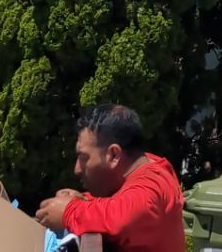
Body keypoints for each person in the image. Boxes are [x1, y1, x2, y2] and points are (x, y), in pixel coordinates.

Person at [35, 103, 185, 252]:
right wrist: (83, 199)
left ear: (114, 155)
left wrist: (69, 211)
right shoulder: (143, 166)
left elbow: (123, 218)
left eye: (83, 157)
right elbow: (121, 202)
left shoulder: (152, 186)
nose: (77, 170)